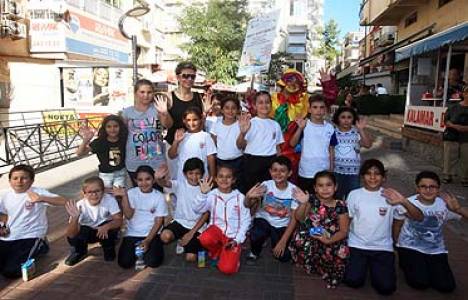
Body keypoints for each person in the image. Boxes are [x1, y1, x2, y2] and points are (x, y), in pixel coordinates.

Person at [344, 159, 423, 295]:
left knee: (386, 288)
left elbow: (419, 217)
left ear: (384, 177)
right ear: (362, 177)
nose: (373, 177)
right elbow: (348, 220)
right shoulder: (354, 195)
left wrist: (403, 201)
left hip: (382, 247)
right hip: (357, 245)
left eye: (377, 174)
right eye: (368, 173)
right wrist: (344, 243)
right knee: (353, 281)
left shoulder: (391, 195)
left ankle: (374, 267)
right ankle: (361, 265)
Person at [393, 171, 468, 293]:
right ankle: (405, 262)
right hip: (411, 247)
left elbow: (464, 216)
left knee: (446, 286)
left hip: (436, 249)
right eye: (423, 186)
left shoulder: (444, 205)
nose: (428, 190)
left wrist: (458, 209)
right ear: (417, 188)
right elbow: (397, 225)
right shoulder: (406, 202)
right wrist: (397, 245)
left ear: (438, 189)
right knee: (419, 283)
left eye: (432, 187)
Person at [0, 165, 67, 278]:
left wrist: (42, 198)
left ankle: (41, 246)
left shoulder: (38, 192)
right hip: (9, 235)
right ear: (10, 181)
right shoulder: (5, 194)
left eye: (24, 178)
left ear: (31, 181)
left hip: (30, 235)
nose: (19, 181)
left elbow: (64, 201)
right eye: (15, 178)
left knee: (11, 272)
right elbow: (2, 214)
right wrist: (1, 227)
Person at [290, 171, 350, 288]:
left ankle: (324, 265)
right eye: (320, 185)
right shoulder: (310, 199)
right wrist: (303, 203)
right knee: (301, 239)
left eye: (328, 185)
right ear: (315, 188)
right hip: (311, 235)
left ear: (335, 187)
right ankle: (310, 262)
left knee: (340, 252)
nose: (325, 189)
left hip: (330, 237)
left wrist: (329, 240)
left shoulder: (340, 206)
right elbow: (299, 218)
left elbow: (343, 231)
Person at [194, 165, 252, 275]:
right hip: (216, 232)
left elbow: (246, 220)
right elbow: (197, 209)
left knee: (227, 269)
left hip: (232, 237)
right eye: (220, 176)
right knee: (205, 238)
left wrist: (237, 240)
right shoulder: (212, 194)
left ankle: (231, 254)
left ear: (233, 180)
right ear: (215, 179)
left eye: (228, 177)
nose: (224, 180)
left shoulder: (240, 197)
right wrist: (203, 194)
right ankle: (216, 252)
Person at [244, 156, 298, 264]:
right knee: (257, 232)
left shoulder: (294, 191)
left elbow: (294, 219)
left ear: (290, 173)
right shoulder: (265, 185)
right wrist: (248, 197)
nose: (278, 173)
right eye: (275, 170)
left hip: (281, 224)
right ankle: (255, 250)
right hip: (264, 219)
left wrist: (282, 242)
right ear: (270, 171)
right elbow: (247, 205)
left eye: (282, 171)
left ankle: (275, 240)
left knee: (283, 257)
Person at [155, 158, 209, 262]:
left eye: (197, 173)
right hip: (180, 222)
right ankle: (182, 239)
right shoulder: (180, 184)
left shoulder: (206, 188)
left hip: (197, 226)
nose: (194, 177)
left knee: (191, 258)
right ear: (185, 174)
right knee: (165, 236)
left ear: (202, 174)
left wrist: (191, 233)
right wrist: (158, 178)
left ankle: (193, 243)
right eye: (190, 173)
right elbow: (165, 183)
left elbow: (206, 214)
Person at [115, 166, 168, 269]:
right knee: (124, 263)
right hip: (132, 233)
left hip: (151, 234)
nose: (144, 183)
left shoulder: (159, 196)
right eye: (140, 180)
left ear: (153, 180)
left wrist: (147, 240)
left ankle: (145, 251)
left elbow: (158, 222)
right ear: (135, 181)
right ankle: (138, 252)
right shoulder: (131, 193)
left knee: (153, 262)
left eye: (148, 179)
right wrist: (124, 197)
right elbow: (129, 216)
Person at [122, 79, 172, 187]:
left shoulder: (157, 109)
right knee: (138, 195)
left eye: (149, 92)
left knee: (157, 192)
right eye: (142, 92)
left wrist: (165, 113)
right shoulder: (127, 112)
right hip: (134, 160)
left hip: (156, 161)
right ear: (136, 93)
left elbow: (168, 125)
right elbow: (123, 134)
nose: (146, 95)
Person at [64, 177, 122, 266]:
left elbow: (119, 220)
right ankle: (80, 251)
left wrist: (107, 226)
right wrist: (75, 218)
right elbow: (71, 235)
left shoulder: (109, 199)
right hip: (88, 232)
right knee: (76, 234)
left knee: (111, 227)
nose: (94, 195)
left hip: (104, 230)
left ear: (103, 191)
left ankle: (108, 247)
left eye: (97, 191)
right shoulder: (80, 205)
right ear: (84, 193)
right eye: (90, 192)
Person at [237, 91, 284, 194]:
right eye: (260, 102)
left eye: (267, 102)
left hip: (270, 162)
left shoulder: (275, 125)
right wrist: (243, 133)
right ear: (254, 105)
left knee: (268, 194)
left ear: (271, 104)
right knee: (251, 194)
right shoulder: (250, 123)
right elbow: (240, 145)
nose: (264, 105)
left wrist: (279, 166)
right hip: (252, 162)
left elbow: (278, 148)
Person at [290, 94, 337, 194]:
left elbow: (331, 149)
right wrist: (300, 128)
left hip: (323, 171)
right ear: (309, 109)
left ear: (325, 110)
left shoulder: (330, 128)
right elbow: (292, 143)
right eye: (315, 107)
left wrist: (331, 168)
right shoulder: (304, 125)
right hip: (306, 171)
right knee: (306, 201)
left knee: (322, 201)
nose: (318, 110)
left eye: (321, 107)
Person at [76, 115, 128, 190]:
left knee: (119, 196)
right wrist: (86, 140)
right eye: (109, 127)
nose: (112, 129)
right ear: (104, 128)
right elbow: (79, 153)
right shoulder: (100, 142)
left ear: (120, 127)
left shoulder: (124, 140)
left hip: (120, 174)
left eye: (115, 126)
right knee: (106, 197)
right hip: (105, 175)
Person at [332, 107, 372, 200]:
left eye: (349, 117)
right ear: (338, 118)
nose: (346, 120)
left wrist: (361, 130)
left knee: (352, 197)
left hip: (353, 172)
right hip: (336, 171)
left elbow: (367, 144)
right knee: (337, 197)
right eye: (343, 117)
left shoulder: (356, 133)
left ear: (353, 119)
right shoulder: (333, 133)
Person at [168, 106, 217, 180]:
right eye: (188, 120)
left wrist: (212, 177)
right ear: (184, 120)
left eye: (195, 120)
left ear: (200, 119)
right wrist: (176, 142)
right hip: (183, 179)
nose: (191, 123)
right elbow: (171, 155)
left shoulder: (206, 136)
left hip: (201, 178)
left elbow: (211, 158)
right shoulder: (181, 137)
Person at [166, 61, 206, 146]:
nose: (189, 79)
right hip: (174, 145)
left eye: (192, 76)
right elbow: (166, 125)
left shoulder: (198, 96)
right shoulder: (169, 97)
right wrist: (163, 112)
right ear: (178, 77)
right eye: (185, 76)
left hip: (194, 144)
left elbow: (201, 123)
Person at [210, 97, 243, 190]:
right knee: (222, 188)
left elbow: (243, 145)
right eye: (227, 108)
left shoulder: (240, 124)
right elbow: (213, 143)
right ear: (222, 110)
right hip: (221, 161)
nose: (230, 111)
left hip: (238, 161)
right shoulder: (217, 124)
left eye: (233, 108)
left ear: (238, 110)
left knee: (237, 188)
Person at [442, 85, 468, 186]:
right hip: (452, 135)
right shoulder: (454, 107)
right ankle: (447, 175)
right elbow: (446, 120)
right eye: (467, 93)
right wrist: (455, 126)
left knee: (466, 158)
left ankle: (465, 178)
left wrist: (463, 128)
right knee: (449, 156)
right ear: (464, 94)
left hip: (466, 137)